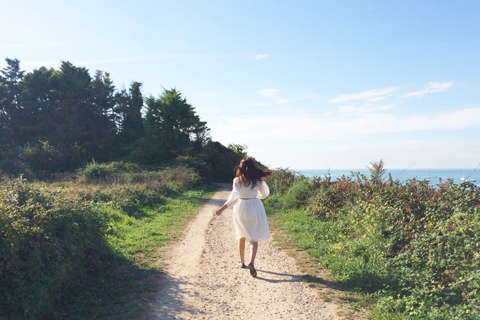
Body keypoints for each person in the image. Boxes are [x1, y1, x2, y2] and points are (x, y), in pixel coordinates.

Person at [215, 157, 271, 277]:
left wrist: (221, 209)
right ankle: (251, 261)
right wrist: (255, 196)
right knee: (253, 238)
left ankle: (242, 262)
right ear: (253, 167)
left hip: (241, 206)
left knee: (241, 235)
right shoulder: (258, 181)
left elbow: (234, 196)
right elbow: (264, 194)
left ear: (240, 167)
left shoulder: (237, 180)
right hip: (255, 206)